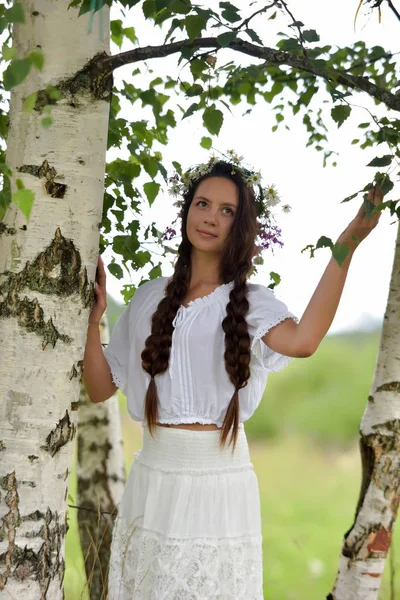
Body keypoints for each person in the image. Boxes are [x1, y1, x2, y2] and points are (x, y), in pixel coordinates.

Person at [82, 155, 383, 599]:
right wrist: (93, 323)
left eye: (227, 211)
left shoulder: (251, 303)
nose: (211, 218)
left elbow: (304, 340)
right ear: (187, 210)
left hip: (219, 485)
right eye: (203, 204)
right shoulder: (149, 298)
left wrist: (348, 243)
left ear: (240, 227)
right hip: (153, 480)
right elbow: (99, 387)